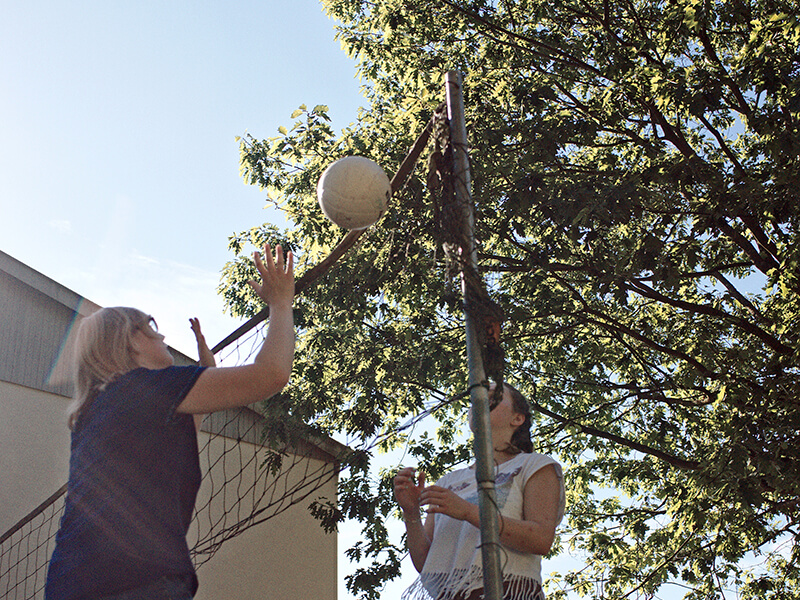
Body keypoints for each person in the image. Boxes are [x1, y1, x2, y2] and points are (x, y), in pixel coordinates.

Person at [44, 244, 295, 600]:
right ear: (128, 341)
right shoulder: (139, 390)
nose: (160, 335)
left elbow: (199, 407)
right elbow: (270, 374)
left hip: (74, 585)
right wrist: (281, 303)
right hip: (134, 583)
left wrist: (205, 355)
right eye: (150, 326)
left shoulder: (104, 411)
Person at [394, 383, 566, 600]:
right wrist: (410, 513)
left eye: (494, 395)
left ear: (517, 419)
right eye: (474, 397)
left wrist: (468, 512)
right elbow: (427, 563)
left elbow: (540, 539)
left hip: (509, 592)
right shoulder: (449, 481)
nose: (479, 399)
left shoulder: (535, 465)